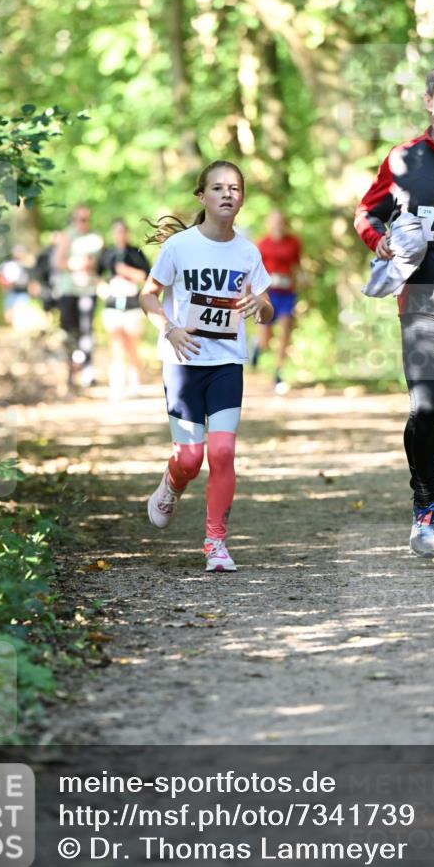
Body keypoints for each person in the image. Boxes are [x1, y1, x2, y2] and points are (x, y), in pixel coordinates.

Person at [354, 60, 434, 565]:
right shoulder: (404, 158)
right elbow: (368, 210)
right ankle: (424, 502)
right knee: (427, 410)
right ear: (429, 101)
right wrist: (379, 239)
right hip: (425, 296)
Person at [139, 160, 273, 572]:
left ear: (243, 197)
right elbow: (148, 295)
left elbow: (266, 310)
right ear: (202, 197)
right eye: (218, 188)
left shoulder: (248, 252)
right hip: (182, 364)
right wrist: (169, 328)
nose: (227, 195)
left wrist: (259, 306)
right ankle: (172, 483)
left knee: (222, 450)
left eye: (235, 188)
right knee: (190, 458)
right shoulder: (179, 247)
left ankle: (215, 542)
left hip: (226, 364)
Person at [98, 219, 150, 399]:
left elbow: (147, 276)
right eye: (116, 231)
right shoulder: (107, 254)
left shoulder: (136, 253)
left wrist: (126, 272)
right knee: (115, 344)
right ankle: (117, 385)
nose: (120, 235)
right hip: (112, 305)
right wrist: (103, 287)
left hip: (132, 305)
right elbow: (97, 276)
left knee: (132, 345)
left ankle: (134, 383)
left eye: (123, 231)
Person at [251, 209, 302, 394]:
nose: (277, 224)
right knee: (266, 339)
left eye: (280, 220)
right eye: (274, 221)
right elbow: (255, 271)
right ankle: (257, 344)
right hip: (267, 294)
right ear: (269, 223)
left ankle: (278, 373)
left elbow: (297, 266)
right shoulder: (262, 244)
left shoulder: (294, 242)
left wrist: (301, 281)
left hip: (287, 294)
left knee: (285, 330)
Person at [53, 205, 104, 390]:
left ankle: (87, 372)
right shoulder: (67, 235)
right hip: (68, 291)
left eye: (86, 219)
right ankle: (69, 372)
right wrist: (74, 264)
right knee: (69, 332)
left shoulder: (95, 238)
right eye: (80, 219)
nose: (83, 222)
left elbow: (97, 264)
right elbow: (58, 262)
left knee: (87, 332)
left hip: (88, 291)